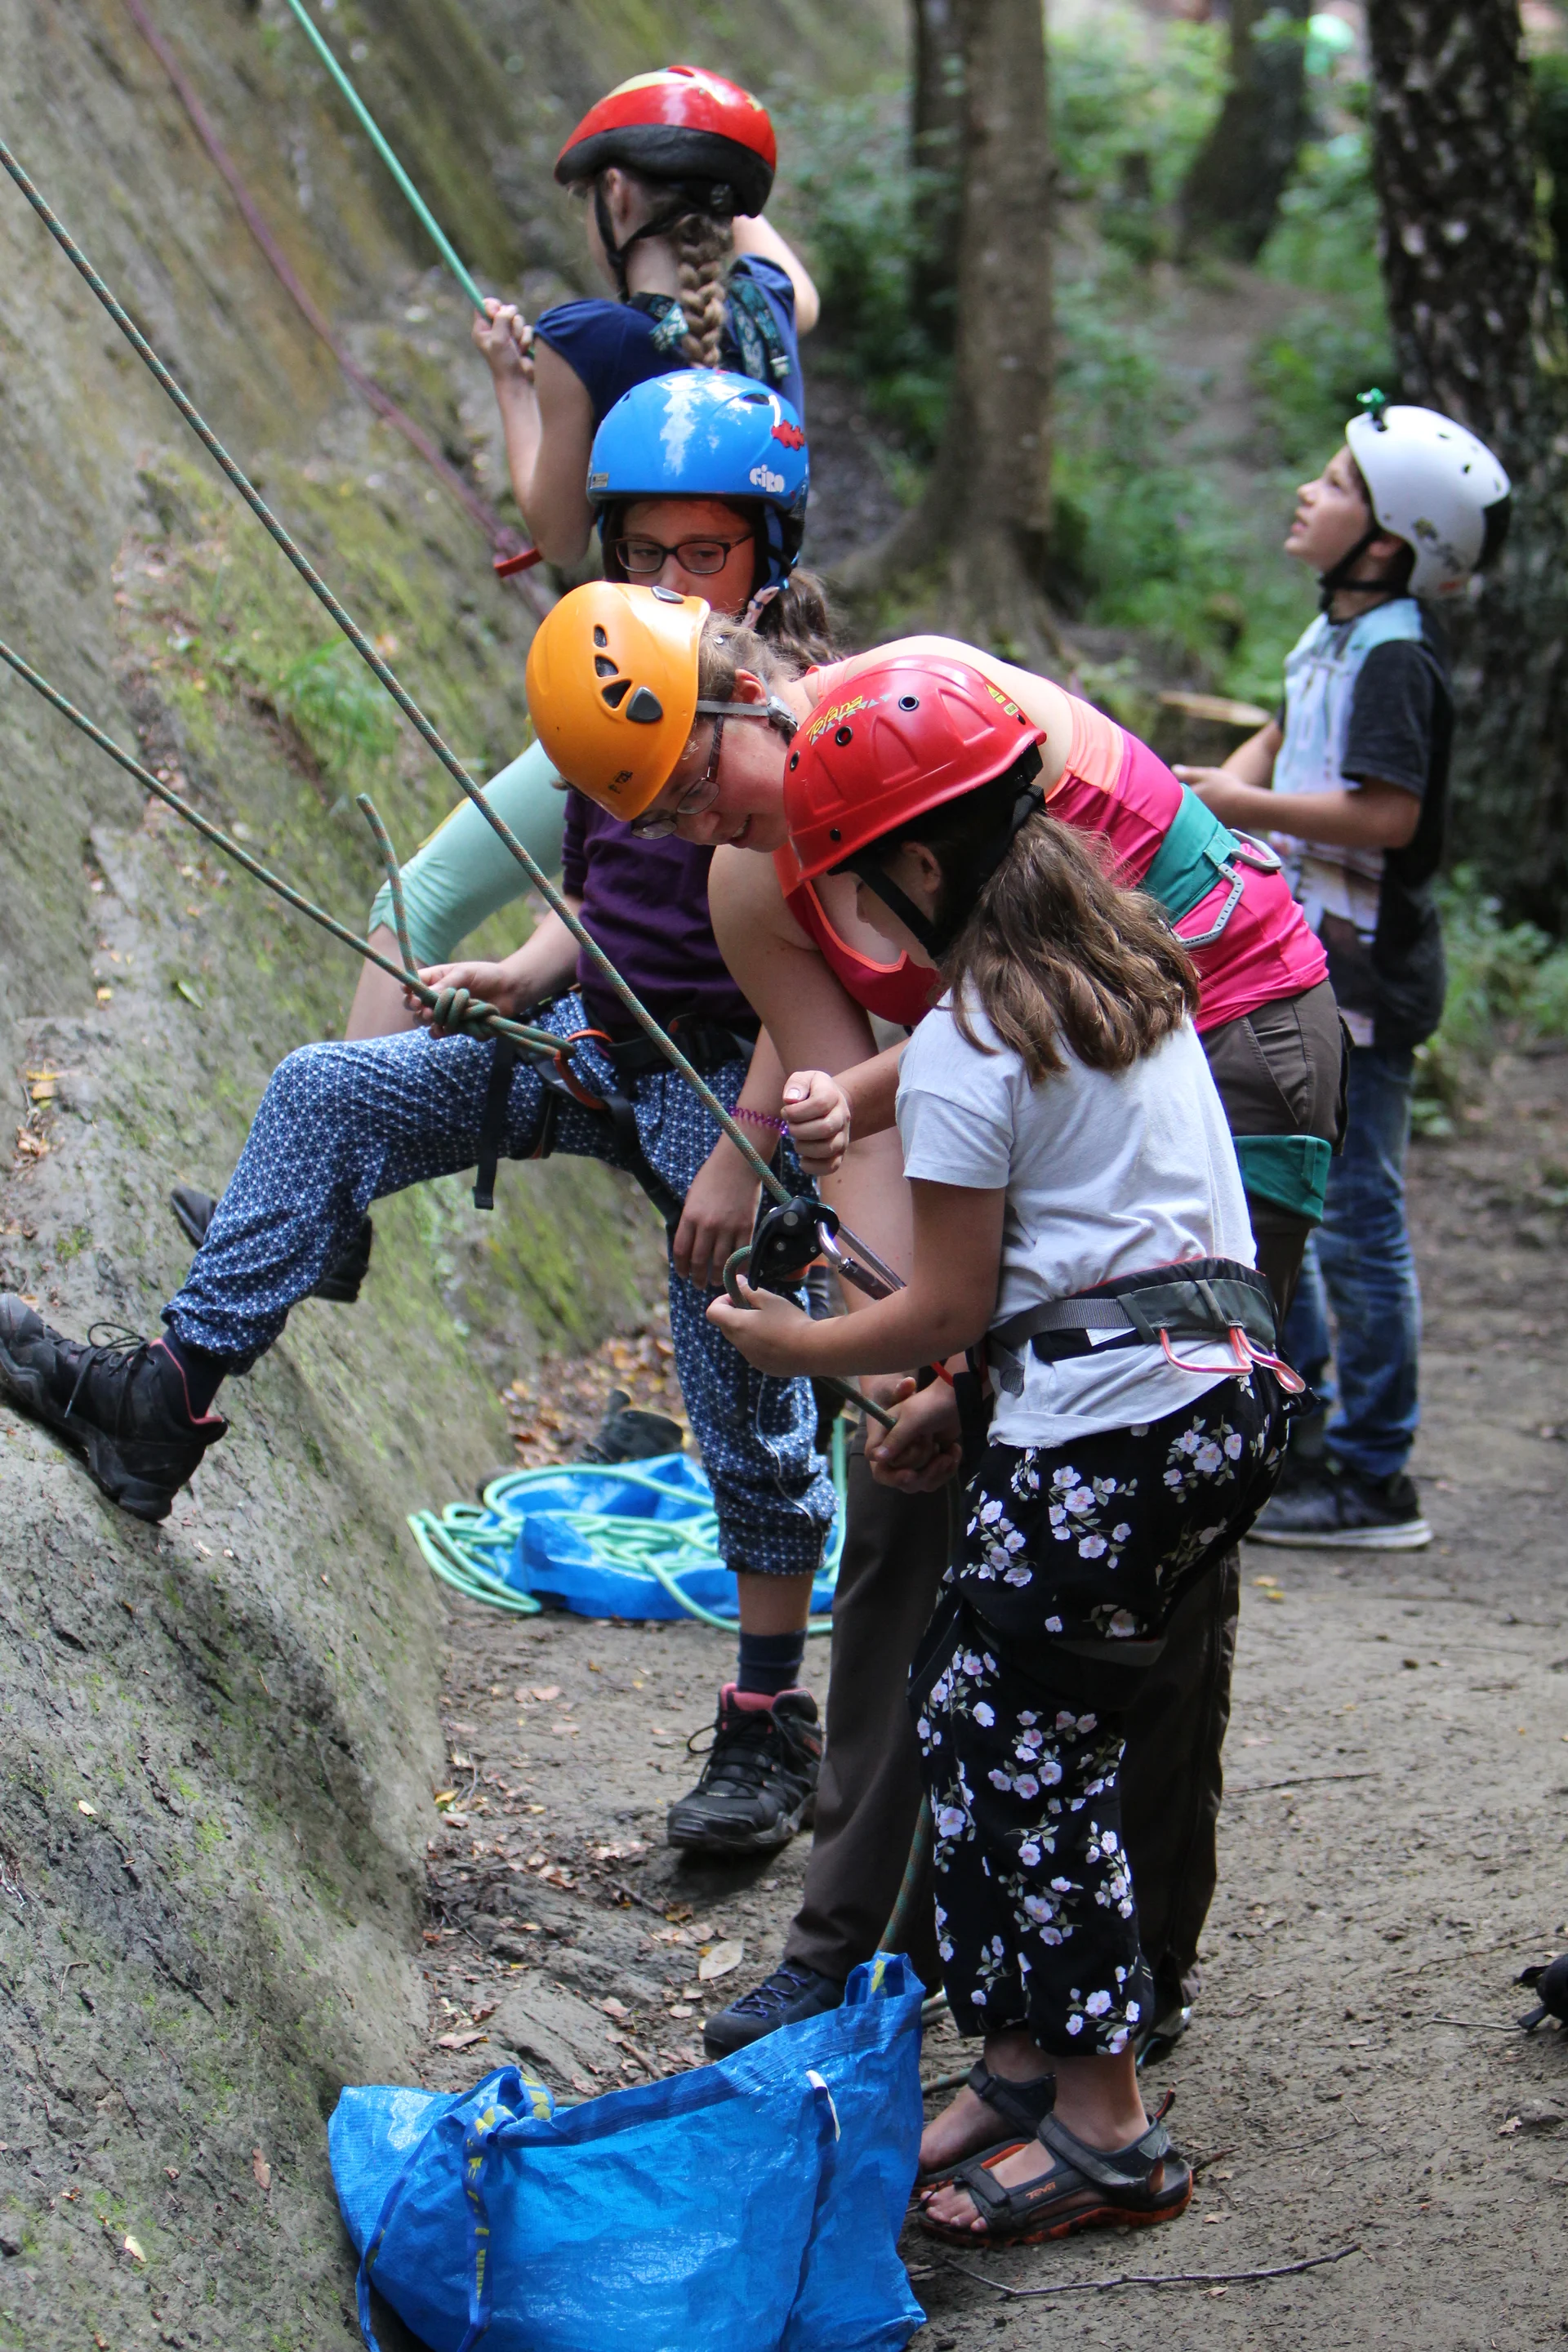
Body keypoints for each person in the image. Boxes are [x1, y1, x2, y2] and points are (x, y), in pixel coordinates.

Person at [0, 376, 840, 1863]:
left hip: (739, 1078)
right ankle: (160, 1407)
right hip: (594, 1035)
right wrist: (517, 967)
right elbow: (604, 888)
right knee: (327, 1091)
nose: (662, 584)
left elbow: (826, 970)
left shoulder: (804, 728)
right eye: (641, 552)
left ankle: (766, 1720)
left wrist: (745, 1150)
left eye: (699, 557)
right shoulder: (612, 675)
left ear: (765, 558)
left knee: (740, 1361)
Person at [519, 586, 1342, 2076]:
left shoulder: (944, 733)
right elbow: (866, 1137)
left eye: (705, 781)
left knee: (1132, 1498)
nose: (710, 825)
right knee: (916, 1510)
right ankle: (861, 1950)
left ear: (755, 690)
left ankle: (1126, 1970)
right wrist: (903, 1364)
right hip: (1011, 1081)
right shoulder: (756, 886)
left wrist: (937, 1344)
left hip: (1222, 1041)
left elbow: (1040, 1030)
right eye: (669, 819)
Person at [706, 735, 1293, 2243]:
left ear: (916, 870)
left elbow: (947, 1305)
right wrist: (859, 1101)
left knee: (1027, 1749)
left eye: (858, 888)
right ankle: (1021, 2069)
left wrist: (802, 1343)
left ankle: (1106, 2127)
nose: (859, 923)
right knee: (976, 1704)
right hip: (1203, 1400)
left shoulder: (975, 1042)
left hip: (1114, 1424)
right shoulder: (1108, 973)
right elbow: (1090, 1229)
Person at [1175, 396, 1510, 1551]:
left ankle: (1375, 1475)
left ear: (1386, 541)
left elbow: (1388, 813)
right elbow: (1281, 733)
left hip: (1365, 987)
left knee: (1360, 1218)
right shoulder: (1338, 635)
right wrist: (1206, 790)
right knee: (1287, 1194)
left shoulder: (1399, 656)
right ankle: (1302, 1429)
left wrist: (1243, 806)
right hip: (1303, 973)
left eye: (1333, 485)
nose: (1306, 495)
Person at [471, 64, 818, 570]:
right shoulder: (768, 306)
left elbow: (561, 543)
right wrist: (719, 166)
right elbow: (804, 294)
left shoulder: (584, 341)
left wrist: (512, 384)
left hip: (657, 644)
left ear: (617, 191)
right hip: (774, 641)